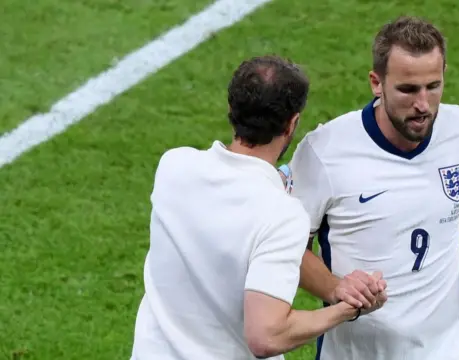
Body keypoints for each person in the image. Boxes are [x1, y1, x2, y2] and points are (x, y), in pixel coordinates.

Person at [286, 16, 459, 360]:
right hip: (359, 352)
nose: (423, 105)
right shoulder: (325, 153)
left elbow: (455, 186)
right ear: (376, 83)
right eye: (408, 90)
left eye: (433, 86)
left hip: (448, 347)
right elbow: (288, 248)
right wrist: (337, 288)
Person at [129, 55, 387, 360]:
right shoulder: (281, 214)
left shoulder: (173, 166)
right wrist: (344, 311)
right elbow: (266, 336)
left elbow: (226, 209)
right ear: (292, 124)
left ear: (231, 109)